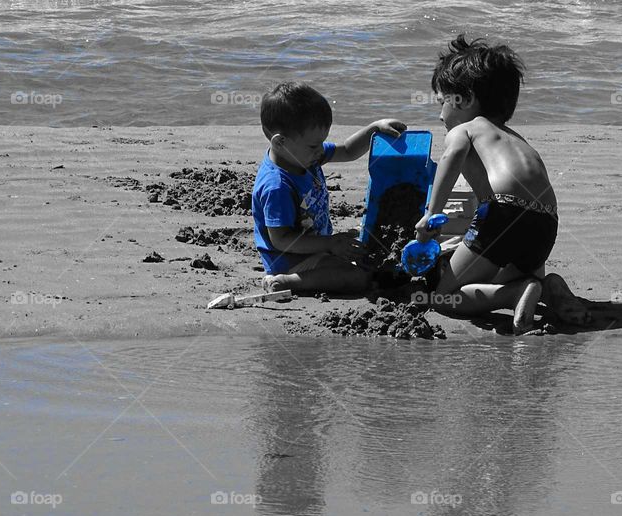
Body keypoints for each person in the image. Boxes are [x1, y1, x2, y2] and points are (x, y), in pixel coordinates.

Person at [415, 35, 590, 334]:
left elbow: (451, 157)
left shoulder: (466, 129)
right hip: (546, 222)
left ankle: (515, 294)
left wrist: (432, 213)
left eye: (443, 101)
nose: (439, 113)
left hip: (503, 212)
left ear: (465, 99)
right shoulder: (517, 140)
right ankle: (546, 288)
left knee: (444, 297)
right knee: (503, 276)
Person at [253, 81, 406, 294]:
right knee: (356, 278)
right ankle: (287, 282)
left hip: (317, 249)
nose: (320, 151)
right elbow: (280, 240)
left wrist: (374, 128)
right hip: (291, 260)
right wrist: (328, 244)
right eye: (314, 146)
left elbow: (348, 150)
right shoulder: (277, 185)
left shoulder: (304, 156)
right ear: (280, 142)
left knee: (366, 260)